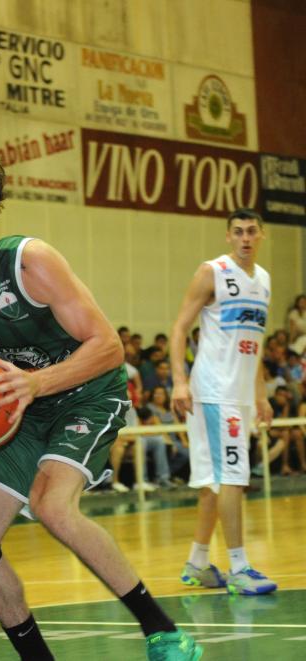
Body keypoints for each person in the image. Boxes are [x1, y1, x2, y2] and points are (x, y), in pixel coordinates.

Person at [0, 184, 201, 660]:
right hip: (16, 408)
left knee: (52, 506)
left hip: (85, 393)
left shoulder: (28, 264)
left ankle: (161, 630)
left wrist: (36, 383)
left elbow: (109, 347)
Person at [170, 208, 277, 596]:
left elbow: (254, 343)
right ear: (228, 236)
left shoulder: (263, 280)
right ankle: (239, 567)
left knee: (216, 482)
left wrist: (260, 394)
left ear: (261, 235)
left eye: (251, 231)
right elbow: (180, 327)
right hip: (215, 390)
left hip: (239, 394)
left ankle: (198, 563)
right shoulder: (212, 272)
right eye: (238, 231)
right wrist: (179, 381)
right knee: (232, 477)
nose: (245, 237)